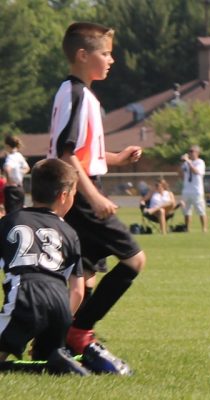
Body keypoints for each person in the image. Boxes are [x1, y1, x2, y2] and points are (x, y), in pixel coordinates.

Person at [48, 21, 145, 360]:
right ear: (82, 55)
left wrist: (115, 158)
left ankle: (55, 339)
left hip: (79, 190)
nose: (111, 60)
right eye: (105, 53)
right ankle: (79, 333)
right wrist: (94, 197)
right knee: (134, 260)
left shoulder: (79, 93)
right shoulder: (76, 94)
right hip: (79, 194)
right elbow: (66, 153)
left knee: (84, 277)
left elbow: (83, 152)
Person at [0, 159, 88, 375]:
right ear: (64, 196)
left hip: (25, 297)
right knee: (45, 362)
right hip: (60, 307)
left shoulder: (11, 221)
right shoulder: (69, 232)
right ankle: (55, 360)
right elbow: (77, 290)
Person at [180, 144, 207, 233]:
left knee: (200, 210)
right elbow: (180, 174)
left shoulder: (200, 162)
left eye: (192, 151)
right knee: (186, 211)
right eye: (189, 151)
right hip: (187, 189)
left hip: (196, 190)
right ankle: (187, 228)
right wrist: (181, 162)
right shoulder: (186, 163)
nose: (190, 153)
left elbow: (195, 172)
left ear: (197, 153)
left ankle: (204, 228)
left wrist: (188, 161)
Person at [3, 134, 31, 214]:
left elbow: (7, 169)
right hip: (20, 188)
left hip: (12, 189)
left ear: (7, 146)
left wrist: (9, 181)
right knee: (20, 212)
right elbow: (27, 168)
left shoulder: (10, 157)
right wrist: (19, 173)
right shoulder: (19, 155)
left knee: (11, 214)